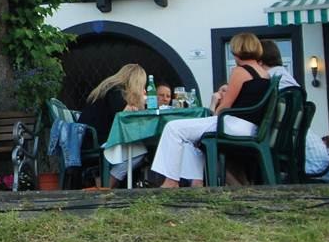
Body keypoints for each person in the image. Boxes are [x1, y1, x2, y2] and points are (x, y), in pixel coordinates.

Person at [152, 33, 273, 188]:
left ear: (237, 50)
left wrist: (215, 111)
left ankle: (171, 180)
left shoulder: (241, 71)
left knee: (173, 128)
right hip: (250, 127)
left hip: (233, 124)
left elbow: (225, 106)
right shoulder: (264, 74)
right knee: (189, 137)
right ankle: (196, 182)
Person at [78, 63, 147, 187]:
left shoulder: (109, 88)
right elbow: (123, 119)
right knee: (139, 151)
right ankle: (106, 185)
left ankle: (106, 183)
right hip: (96, 140)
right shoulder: (115, 92)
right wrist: (141, 100)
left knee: (137, 149)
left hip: (90, 137)